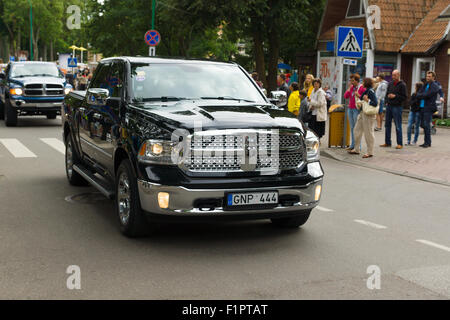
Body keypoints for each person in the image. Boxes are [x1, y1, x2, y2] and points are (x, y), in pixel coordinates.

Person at [348, 78, 378, 158]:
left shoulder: (370, 91)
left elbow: (375, 103)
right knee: (356, 130)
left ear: (366, 83)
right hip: (362, 113)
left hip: (368, 114)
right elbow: (361, 98)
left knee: (369, 133)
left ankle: (370, 152)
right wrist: (359, 97)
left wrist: (367, 100)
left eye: (363, 81)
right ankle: (356, 149)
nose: (362, 83)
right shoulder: (367, 90)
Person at [380, 69, 407, 149]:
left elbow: (404, 97)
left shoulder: (402, 85)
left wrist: (395, 96)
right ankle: (387, 142)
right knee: (387, 125)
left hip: (397, 107)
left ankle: (400, 143)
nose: (393, 77)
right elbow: (387, 93)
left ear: (398, 75)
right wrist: (387, 100)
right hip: (389, 106)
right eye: (392, 75)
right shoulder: (390, 83)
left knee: (398, 125)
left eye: (395, 75)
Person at [416, 71, 440, 148]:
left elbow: (428, 95)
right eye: (427, 76)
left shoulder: (435, 86)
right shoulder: (425, 84)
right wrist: (422, 95)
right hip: (422, 107)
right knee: (422, 124)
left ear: (433, 77)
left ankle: (427, 142)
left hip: (428, 108)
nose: (427, 78)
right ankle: (427, 141)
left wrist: (421, 95)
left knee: (426, 124)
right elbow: (418, 93)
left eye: (429, 76)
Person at [344, 73, 365, 150]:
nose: (351, 82)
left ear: (357, 81)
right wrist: (349, 90)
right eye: (350, 80)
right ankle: (352, 145)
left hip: (357, 109)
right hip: (350, 108)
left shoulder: (361, 88)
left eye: (353, 81)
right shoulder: (352, 87)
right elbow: (345, 96)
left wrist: (359, 95)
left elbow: (365, 98)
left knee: (357, 128)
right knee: (352, 127)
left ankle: (358, 146)